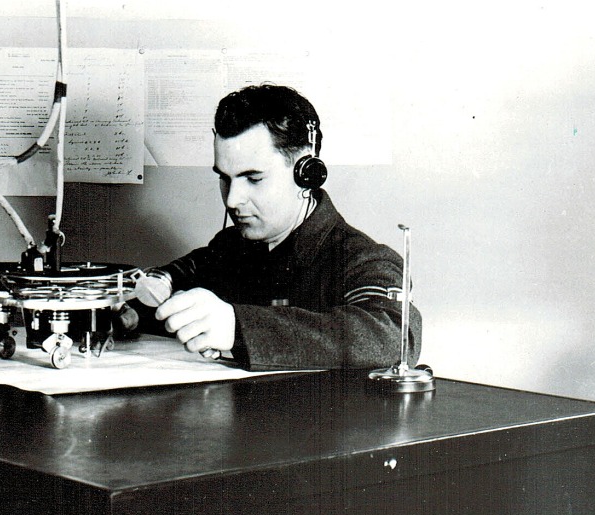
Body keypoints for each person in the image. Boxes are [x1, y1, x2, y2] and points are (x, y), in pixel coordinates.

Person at [128, 83, 421, 370]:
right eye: (225, 178)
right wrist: (126, 310)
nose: (232, 199)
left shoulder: (364, 259)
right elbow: (177, 281)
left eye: (253, 179)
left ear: (307, 174)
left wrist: (236, 328)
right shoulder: (231, 248)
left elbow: (394, 336)